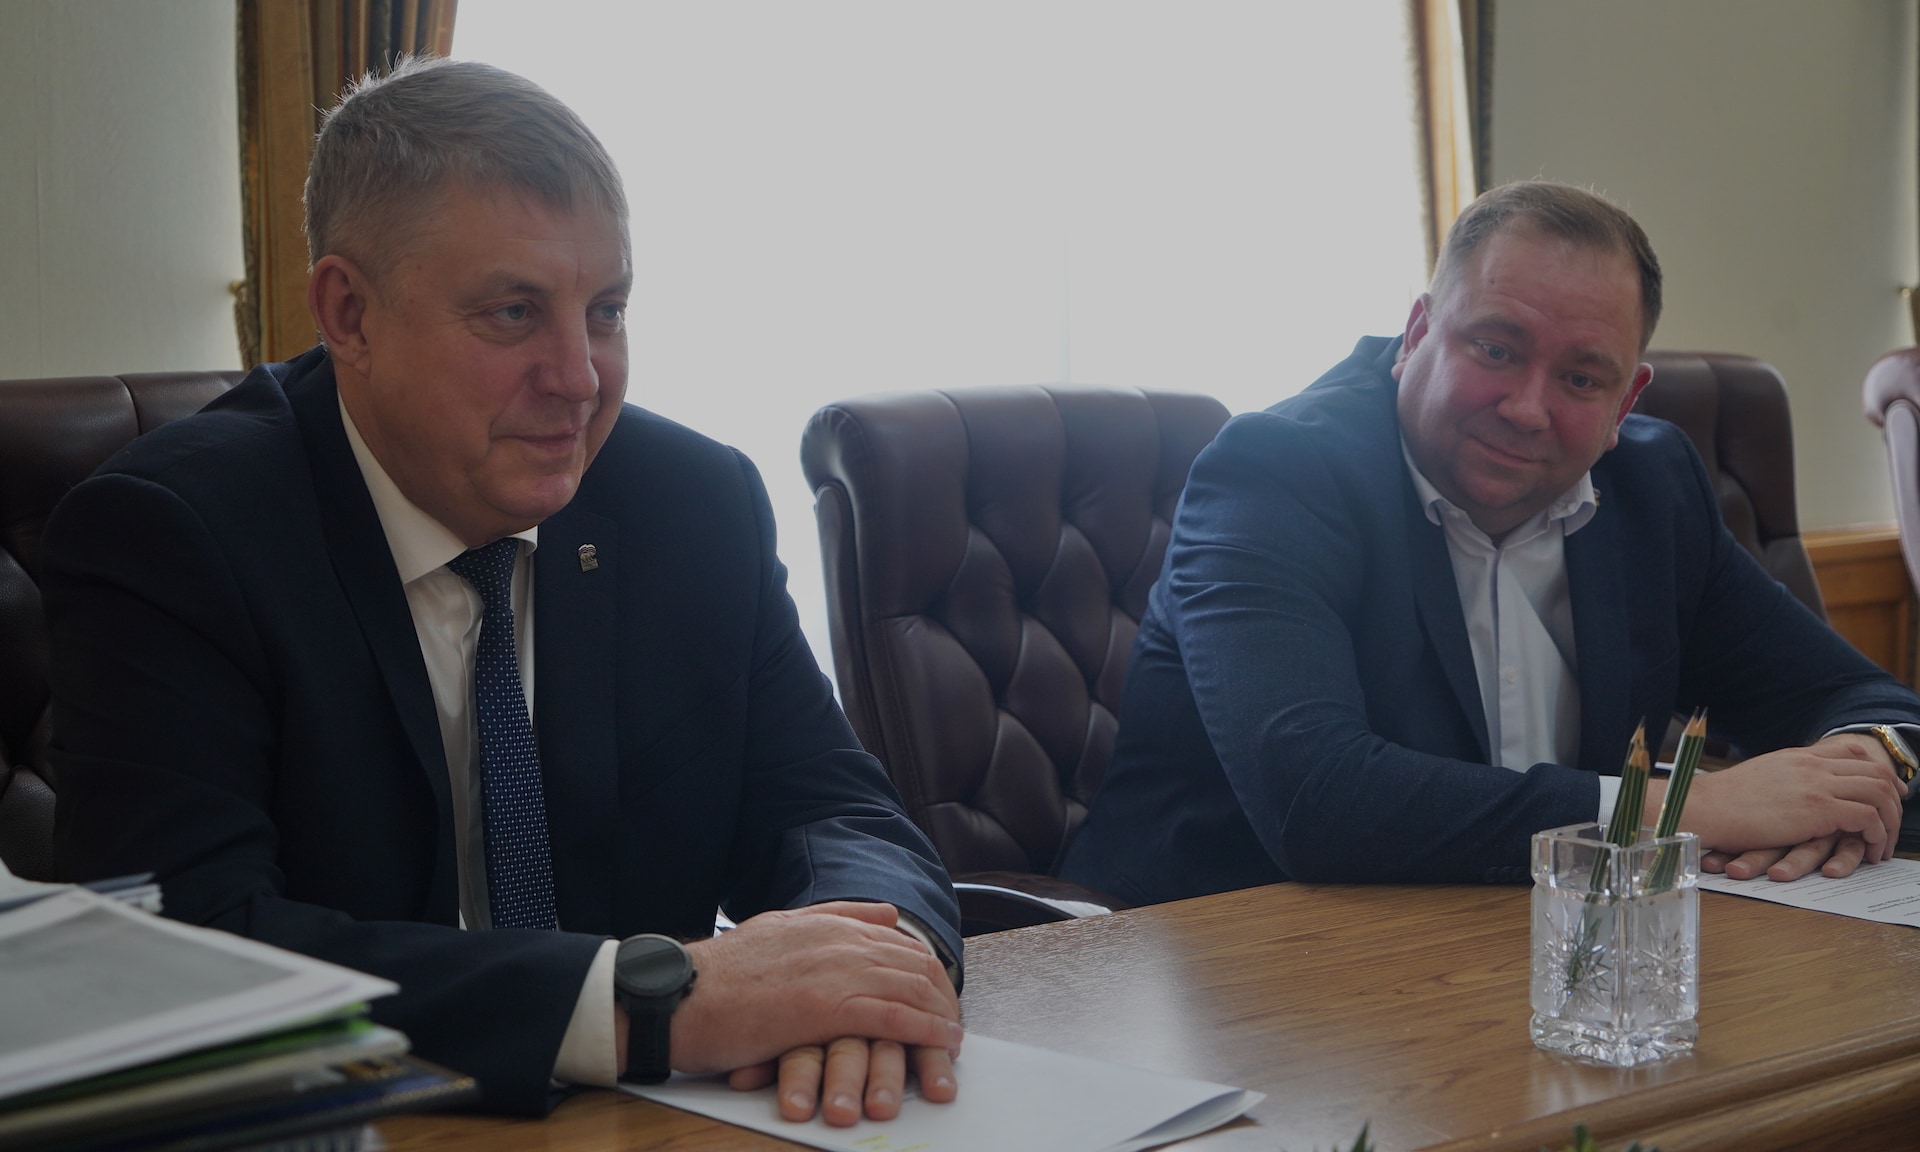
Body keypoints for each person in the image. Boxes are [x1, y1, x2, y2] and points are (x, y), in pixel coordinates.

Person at [42, 57, 962, 1122]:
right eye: (515, 313)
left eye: (606, 310)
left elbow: (835, 811)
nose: (580, 378)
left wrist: (870, 964)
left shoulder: (690, 503)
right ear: (350, 314)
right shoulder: (175, 536)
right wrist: (642, 1007)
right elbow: (188, 950)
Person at [1062, 180, 1920, 905]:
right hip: (1205, 966)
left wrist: (1853, 784)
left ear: (1625, 403)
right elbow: (1318, 800)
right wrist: (1682, 808)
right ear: (1416, 335)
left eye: (1580, 377)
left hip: (1525, 952)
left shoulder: (1651, 491)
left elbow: (1866, 701)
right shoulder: (1275, 475)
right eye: (1497, 348)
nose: (1526, 408)